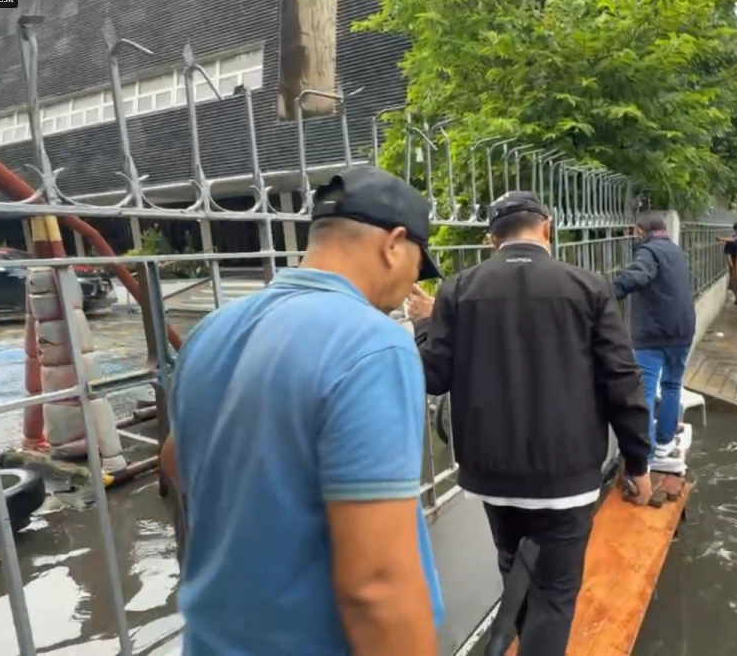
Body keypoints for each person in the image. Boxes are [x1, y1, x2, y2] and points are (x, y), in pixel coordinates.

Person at [161, 166, 443, 655]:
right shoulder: (372, 345)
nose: (411, 288)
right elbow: (376, 586)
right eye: (418, 267)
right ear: (394, 244)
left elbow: (175, 463)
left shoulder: (213, 330)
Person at [407, 192, 652, 654]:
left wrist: (427, 322)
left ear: (490, 239)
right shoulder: (588, 287)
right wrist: (638, 461)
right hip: (567, 474)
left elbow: (434, 376)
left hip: (491, 473)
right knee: (555, 595)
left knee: (514, 572)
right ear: (548, 227)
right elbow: (621, 379)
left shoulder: (459, 290)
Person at [614, 210, 697, 475]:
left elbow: (638, 275)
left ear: (641, 231)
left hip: (653, 334)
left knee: (645, 393)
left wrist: (605, 292)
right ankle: (663, 444)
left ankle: (646, 456)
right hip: (682, 331)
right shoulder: (675, 251)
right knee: (672, 385)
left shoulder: (647, 251)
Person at [719, 221, 737, 306]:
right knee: (736, 282)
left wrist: (731, 265)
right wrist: (731, 265)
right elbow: (728, 254)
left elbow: (728, 253)